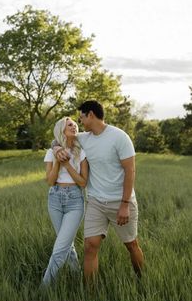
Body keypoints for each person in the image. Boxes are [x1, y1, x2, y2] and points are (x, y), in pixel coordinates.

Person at [54, 100, 144, 282]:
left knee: (131, 245)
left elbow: (130, 171)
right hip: (95, 202)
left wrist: (125, 204)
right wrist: (55, 147)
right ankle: (90, 295)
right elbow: (60, 137)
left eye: (81, 117)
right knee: (90, 246)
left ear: (91, 115)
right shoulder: (84, 138)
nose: (79, 122)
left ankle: (142, 279)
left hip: (120, 202)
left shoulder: (120, 137)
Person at [42, 117, 88, 285]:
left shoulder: (81, 152)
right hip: (55, 198)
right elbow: (50, 181)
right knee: (66, 244)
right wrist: (57, 161)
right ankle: (76, 276)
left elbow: (83, 182)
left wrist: (68, 165)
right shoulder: (50, 152)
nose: (74, 126)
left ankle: (43, 290)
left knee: (60, 248)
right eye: (70, 125)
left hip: (75, 201)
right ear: (61, 129)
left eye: (75, 124)